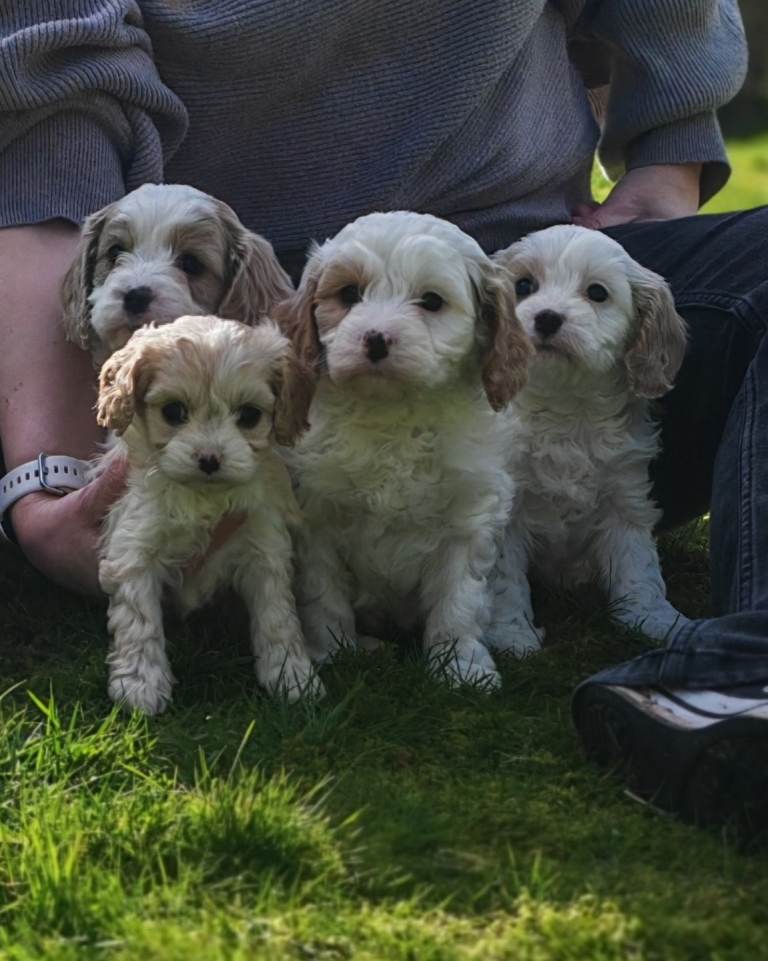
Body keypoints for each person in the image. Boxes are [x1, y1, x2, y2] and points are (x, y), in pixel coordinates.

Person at [1, 1, 766, 832]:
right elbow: (51, 98)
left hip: (519, 274)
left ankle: (745, 675)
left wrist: (667, 161)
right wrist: (46, 480)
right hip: (183, 340)